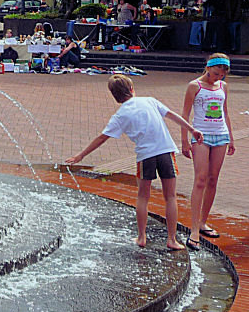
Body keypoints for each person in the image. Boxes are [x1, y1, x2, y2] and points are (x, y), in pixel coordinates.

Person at [65, 74, 203, 250]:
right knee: (170, 197)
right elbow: (172, 115)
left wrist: (80, 155)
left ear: (114, 96)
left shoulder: (120, 115)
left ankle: (141, 237)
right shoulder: (150, 101)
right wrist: (192, 129)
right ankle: (171, 239)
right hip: (165, 151)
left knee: (143, 197)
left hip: (145, 156)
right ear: (131, 89)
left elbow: (102, 138)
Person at [180, 54, 235, 249]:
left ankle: (203, 221)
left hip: (220, 134)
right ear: (207, 68)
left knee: (213, 179)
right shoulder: (195, 86)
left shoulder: (223, 87)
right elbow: (185, 114)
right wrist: (185, 140)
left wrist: (231, 137)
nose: (217, 78)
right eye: (215, 74)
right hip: (201, 136)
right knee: (200, 179)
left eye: (221, 75)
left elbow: (225, 112)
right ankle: (194, 228)